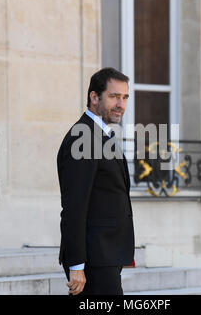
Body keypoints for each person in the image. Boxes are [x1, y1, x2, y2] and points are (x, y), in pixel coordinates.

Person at [57, 68, 135, 295]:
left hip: (107, 254)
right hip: (94, 259)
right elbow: (74, 207)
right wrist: (77, 265)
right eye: (114, 96)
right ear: (94, 97)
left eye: (125, 97)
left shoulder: (99, 134)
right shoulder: (83, 139)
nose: (121, 104)